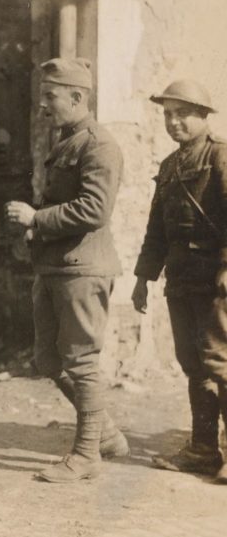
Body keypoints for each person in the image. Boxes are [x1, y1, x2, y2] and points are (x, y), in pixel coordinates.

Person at [4, 58, 130, 484]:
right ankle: (106, 434)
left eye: (50, 96)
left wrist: (36, 219)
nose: (42, 105)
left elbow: (95, 208)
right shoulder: (68, 141)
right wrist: (37, 230)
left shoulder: (99, 145)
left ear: (77, 98)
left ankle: (87, 452)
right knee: (47, 359)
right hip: (56, 267)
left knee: (81, 362)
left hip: (82, 269)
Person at [134, 80, 227, 482]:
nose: (174, 123)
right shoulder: (169, 166)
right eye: (168, 115)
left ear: (203, 116)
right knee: (193, 364)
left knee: (220, 362)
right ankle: (204, 449)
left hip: (215, 281)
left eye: (182, 114)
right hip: (181, 279)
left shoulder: (219, 157)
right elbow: (157, 229)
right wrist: (143, 277)